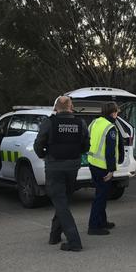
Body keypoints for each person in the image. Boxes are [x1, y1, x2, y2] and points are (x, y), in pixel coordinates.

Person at [33, 96, 89, 252]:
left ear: (56, 108)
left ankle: (74, 241)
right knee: (63, 201)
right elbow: (86, 145)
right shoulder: (80, 123)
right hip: (73, 166)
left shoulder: (49, 122)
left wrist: (44, 155)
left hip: (54, 166)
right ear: (71, 107)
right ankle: (55, 235)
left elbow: (38, 144)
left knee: (60, 202)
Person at [87, 102, 122, 235]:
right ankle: (94, 226)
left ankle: (102, 221)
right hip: (103, 167)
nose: (117, 114)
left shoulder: (95, 122)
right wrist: (111, 170)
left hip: (92, 163)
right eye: (117, 112)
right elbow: (110, 152)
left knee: (100, 194)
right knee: (100, 197)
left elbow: (88, 139)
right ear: (112, 113)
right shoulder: (110, 128)